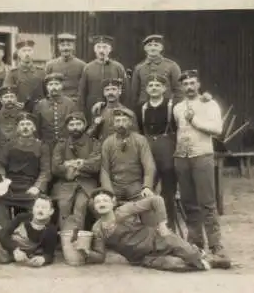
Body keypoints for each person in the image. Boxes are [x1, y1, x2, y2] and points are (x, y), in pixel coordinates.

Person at [134, 74, 214, 231]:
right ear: (146, 89)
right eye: (151, 86)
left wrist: (205, 96)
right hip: (148, 150)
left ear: (164, 89)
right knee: (146, 187)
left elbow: (192, 103)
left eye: (158, 85)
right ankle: (147, 228)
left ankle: (170, 226)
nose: (154, 88)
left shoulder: (173, 105)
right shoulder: (141, 108)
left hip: (168, 152)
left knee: (168, 192)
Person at [76, 188, 215, 272]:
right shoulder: (97, 228)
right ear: (94, 207)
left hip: (159, 240)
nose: (101, 203)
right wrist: (87, 252)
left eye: (105, 200)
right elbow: (100, 256)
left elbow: (156, 200)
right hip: (143, 258)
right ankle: (203, 259)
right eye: (98, 202)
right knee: (176, 264)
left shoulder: (125, 210)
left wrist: (162, 224)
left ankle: (206, 258)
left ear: (112, 203)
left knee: (189, 254)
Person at [173, 70, 231, 267]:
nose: (189, 87)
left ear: (198, 84)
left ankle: (216, 246)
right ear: (181, 87)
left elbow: (217, 130)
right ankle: (195, 244)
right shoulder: (178, 107)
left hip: (202, 156)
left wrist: (194, 121)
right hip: (182, 157)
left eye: (192, 83)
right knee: (189, 203)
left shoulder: (209, 104)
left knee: (207, 202)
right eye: (185, 83)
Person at [99, 108, 158, 224]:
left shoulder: (140, 140)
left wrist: (147, 186)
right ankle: (108, 235)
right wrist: (109, 193)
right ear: (113, 123)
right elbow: (104, 170)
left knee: (149, 204)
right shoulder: (108, 142)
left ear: (130, 123)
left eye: (124, 121)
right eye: (118, 121)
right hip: (116, 186)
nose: (121, 124)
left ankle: (150, 236)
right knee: (100, 204)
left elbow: (149, 165)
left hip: (135, 185)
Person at [0, 112, 51, 226]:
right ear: (18, 128)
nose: (25, 127)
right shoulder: (9, 145)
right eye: (22, 124)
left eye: (28, 124)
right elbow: (0, 164)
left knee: (37, 204)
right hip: (10, 185)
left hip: (30, 185)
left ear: (33, 128)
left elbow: (46, 171)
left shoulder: (42, 146)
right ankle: (3, 233)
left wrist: (37, 187)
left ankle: (29, 235)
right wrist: (1, 177)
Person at [51, 111, 101, 230]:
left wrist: (75, 164)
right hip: (66, 183)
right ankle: (66, 239)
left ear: (84, 125)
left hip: (86, 183)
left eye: (78, 124)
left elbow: (95, 165)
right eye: (72, 125)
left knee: (81, 206)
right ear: (67, 127)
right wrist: (81, 164)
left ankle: (79, 240)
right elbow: (55, 168)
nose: (75, 127)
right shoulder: (61, 144)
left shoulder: (93, 143)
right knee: (63, 205)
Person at [77, 35, 127, 121]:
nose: (101, 50)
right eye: (98, 47)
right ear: (94, 49)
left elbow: (125, 91)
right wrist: (82, 112)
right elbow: (82, 92)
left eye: (105, 47)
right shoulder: (88, 68)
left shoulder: (118, 67)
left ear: (110, 49)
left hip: (114, 109)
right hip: (92, 110)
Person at [131, 34, 182, 109]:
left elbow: (179, 90)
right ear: (145, 48)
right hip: (144, 108)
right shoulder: (139, 68)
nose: (153, 48)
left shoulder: (172, 66)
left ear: (161, 48)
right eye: (150, 45)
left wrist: (174, 107)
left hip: (166, 108)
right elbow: (134, 93)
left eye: (156, 45)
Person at [33, 72, 76, 150]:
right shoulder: (40, 105)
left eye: (56, 84)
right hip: (46, 145)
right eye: (50, 84)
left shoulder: (70, 103)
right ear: (46, 87)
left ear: (62, 86)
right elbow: (36, 128)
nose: (53, 87)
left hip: (66, 145)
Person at [3, 39, 46, 113]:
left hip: (39, 110)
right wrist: (15, 103)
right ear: (18, 54)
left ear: (33, 52)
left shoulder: (41, 72)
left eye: (29, 50)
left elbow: (47, 92)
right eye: (24, 51)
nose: (27, 54)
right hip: (21, 111)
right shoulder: (12, 73)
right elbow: (7, 93)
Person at [45, 33, 86, 103]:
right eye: (63, 45)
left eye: (68, 45)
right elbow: (46, 85)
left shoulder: (82, 65)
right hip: (56, 101)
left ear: (73, 47)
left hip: (74, 101)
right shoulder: (50, 65)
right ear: (58, 47)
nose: (65, 48)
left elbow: (83, 87)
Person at [0, 85, 23, 161]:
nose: (9, 100)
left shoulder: (23, 116)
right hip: (0, 157)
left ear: (16, 99)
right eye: (6, 97)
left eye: (12, 97)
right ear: (0, 100)